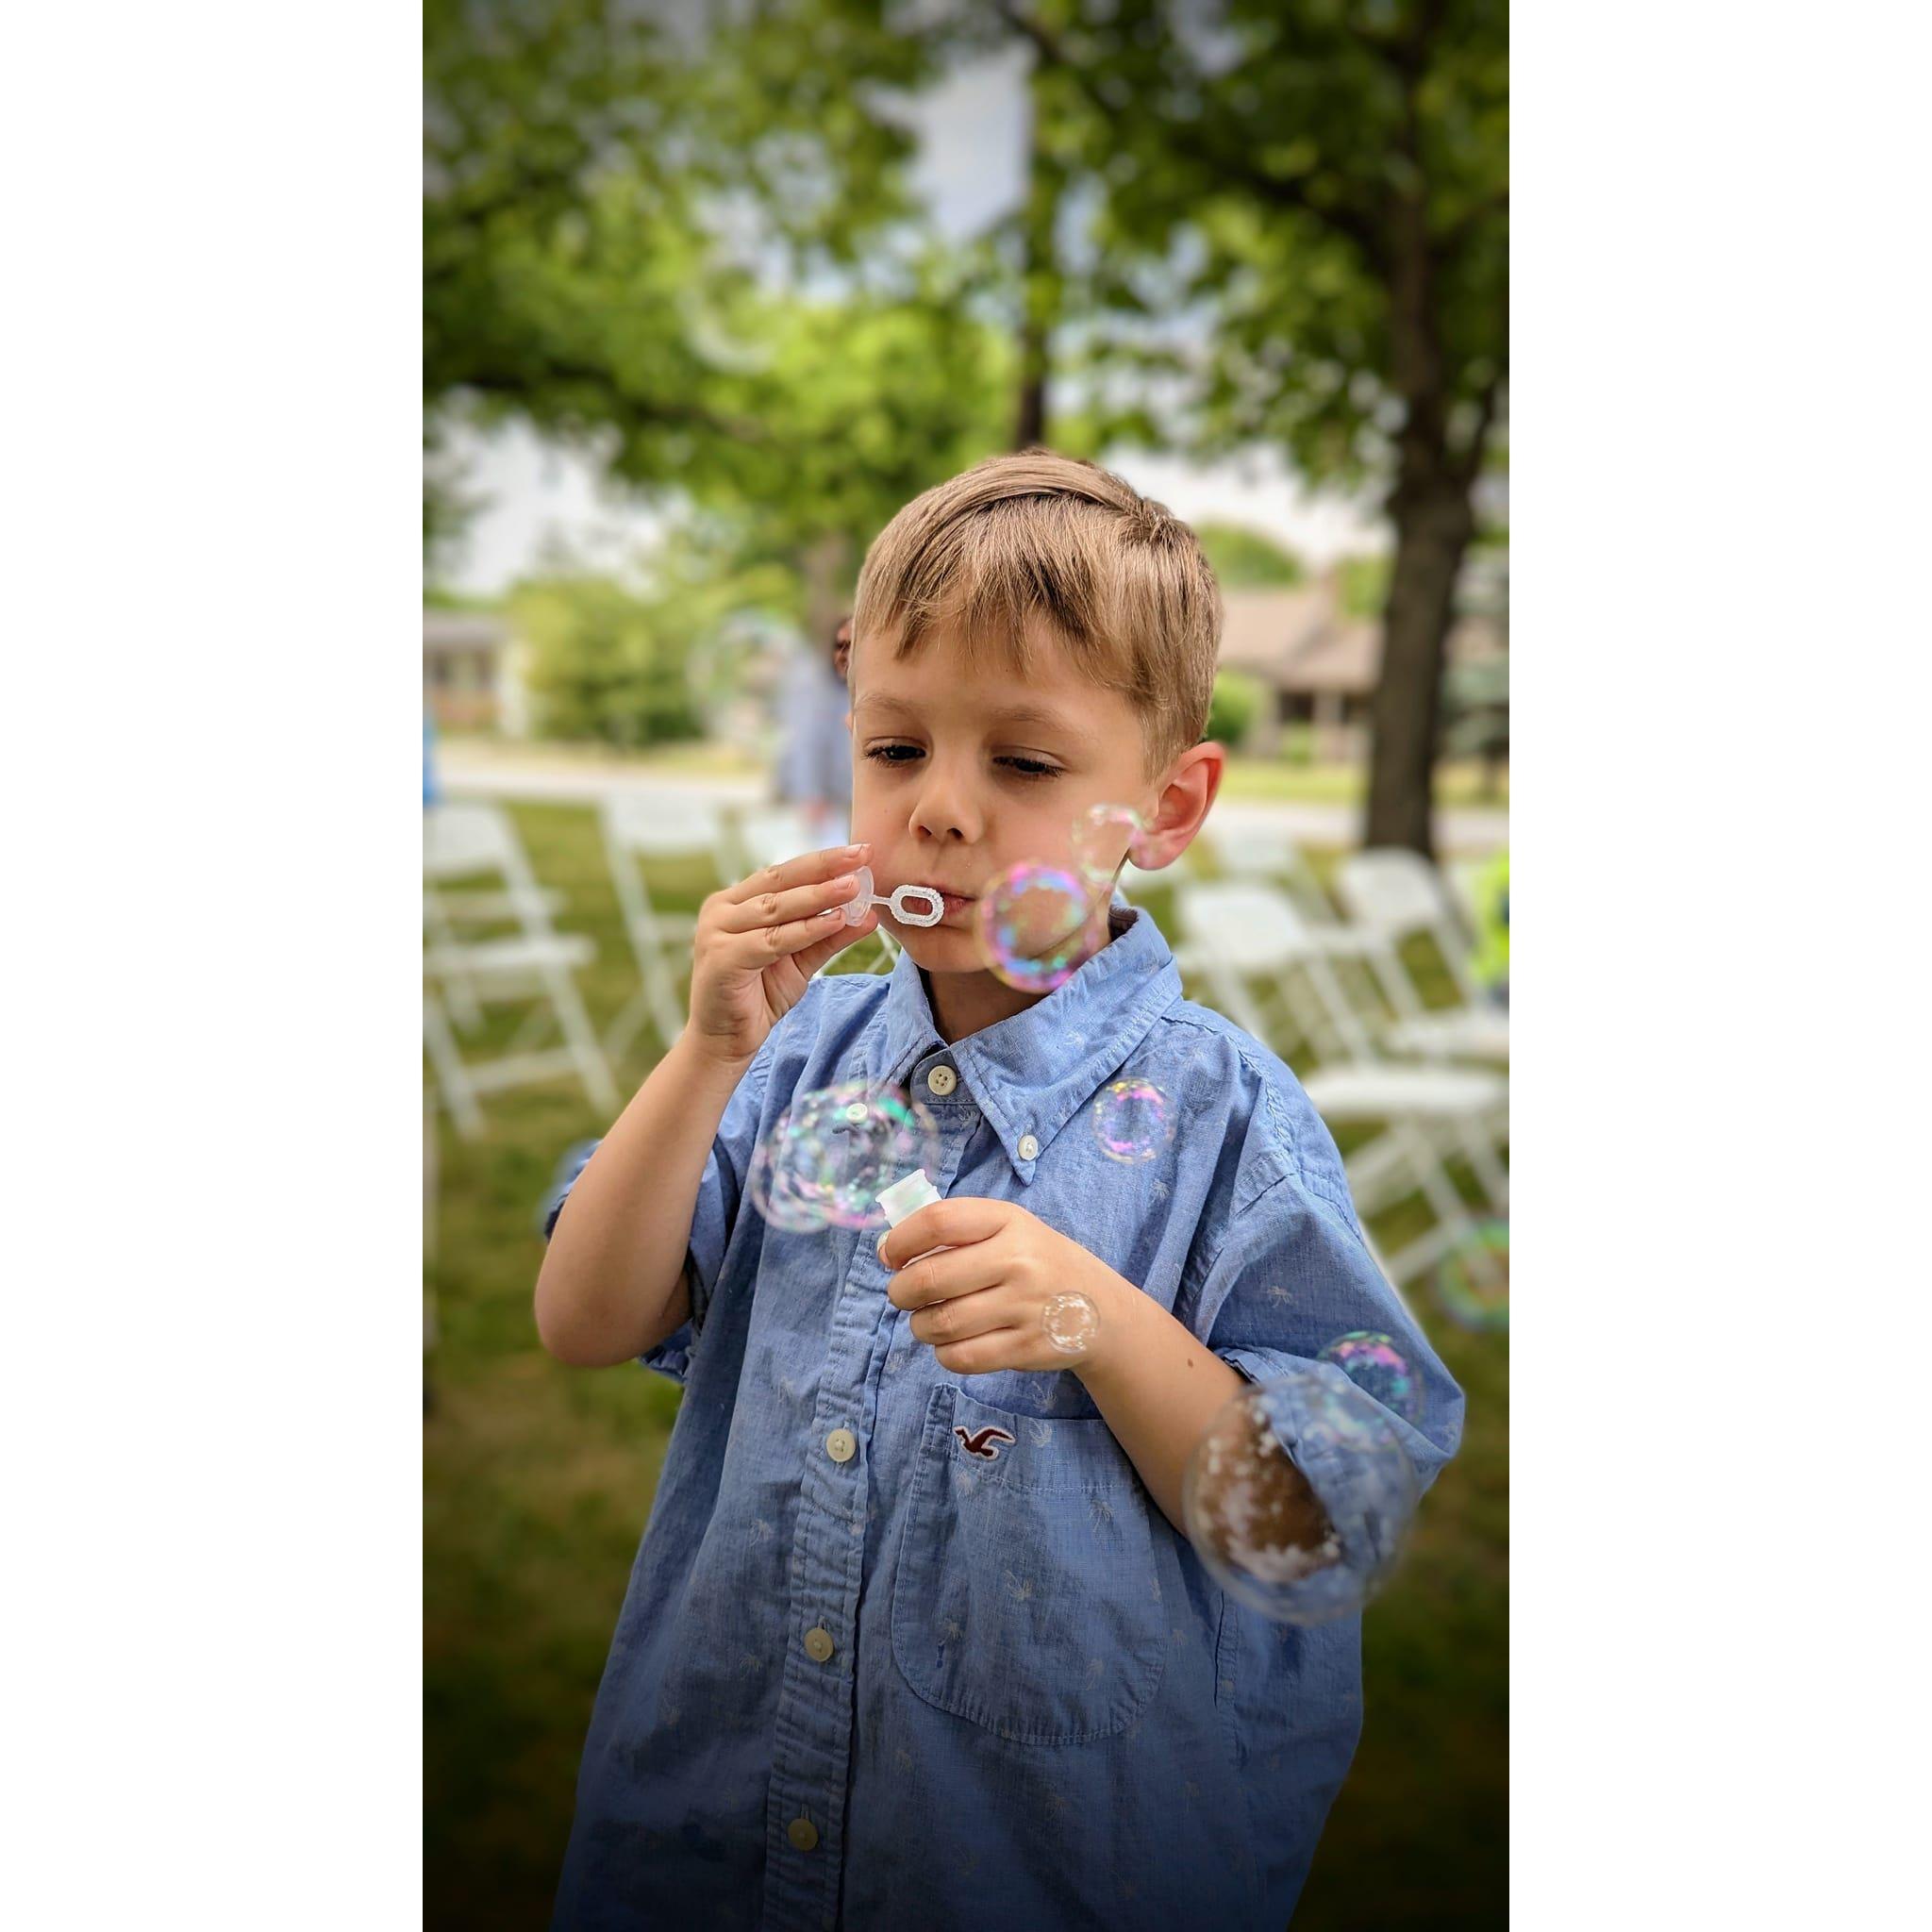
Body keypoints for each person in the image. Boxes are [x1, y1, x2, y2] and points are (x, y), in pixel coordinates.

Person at [533, 451, 1464, 1930]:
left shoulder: (1223, 1121)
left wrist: (1098, 1317)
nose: (942, 811)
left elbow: (1312, 1525)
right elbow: (586, 1317)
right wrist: (706, 1049)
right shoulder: (785, 1060)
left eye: (1024, 765)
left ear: (1165, 806)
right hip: (706, 1849)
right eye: (896, 749)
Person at [774, 614, 855, 847]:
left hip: (850, 796)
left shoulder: (853, 688)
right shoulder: (814, 689)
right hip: (826, 801)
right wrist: (811, 795)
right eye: (842, 646)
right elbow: (805, 745)